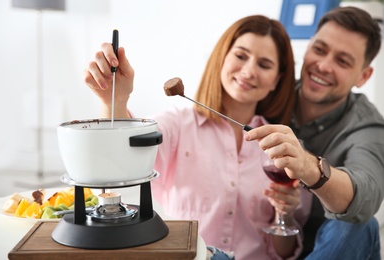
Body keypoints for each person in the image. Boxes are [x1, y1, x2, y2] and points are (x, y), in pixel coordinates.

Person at [84, 15, 312, 259]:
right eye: (240, 55)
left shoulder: (286, 147)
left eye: (264, 65)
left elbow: (284, 254)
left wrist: (285, 216)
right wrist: (116, 100)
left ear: (276, 81)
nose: (248, 71)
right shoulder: (177, 124)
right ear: (222, 58)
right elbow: (122, 164)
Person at [245, 6, 384, 259]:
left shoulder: (366, 125)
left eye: (342, 61)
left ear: (363, 76)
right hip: (259, 248)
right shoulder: (268, 94)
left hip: (332, 250)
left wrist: (311, 169)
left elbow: (367, 195)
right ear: (308, 47)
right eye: (319, 50)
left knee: (359, 225)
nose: (323, 65)